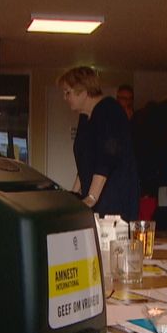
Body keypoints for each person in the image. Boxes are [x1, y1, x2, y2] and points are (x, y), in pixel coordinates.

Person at [58, 66, 139, 220]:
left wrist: (91, 198)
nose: (65, 97)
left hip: (113, 200)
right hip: (97, 198)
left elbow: (106, 158)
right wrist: (73, 196)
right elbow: (85, 162)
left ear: (83, 90)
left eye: (67, 92)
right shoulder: (85, 117)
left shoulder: (109, 109)